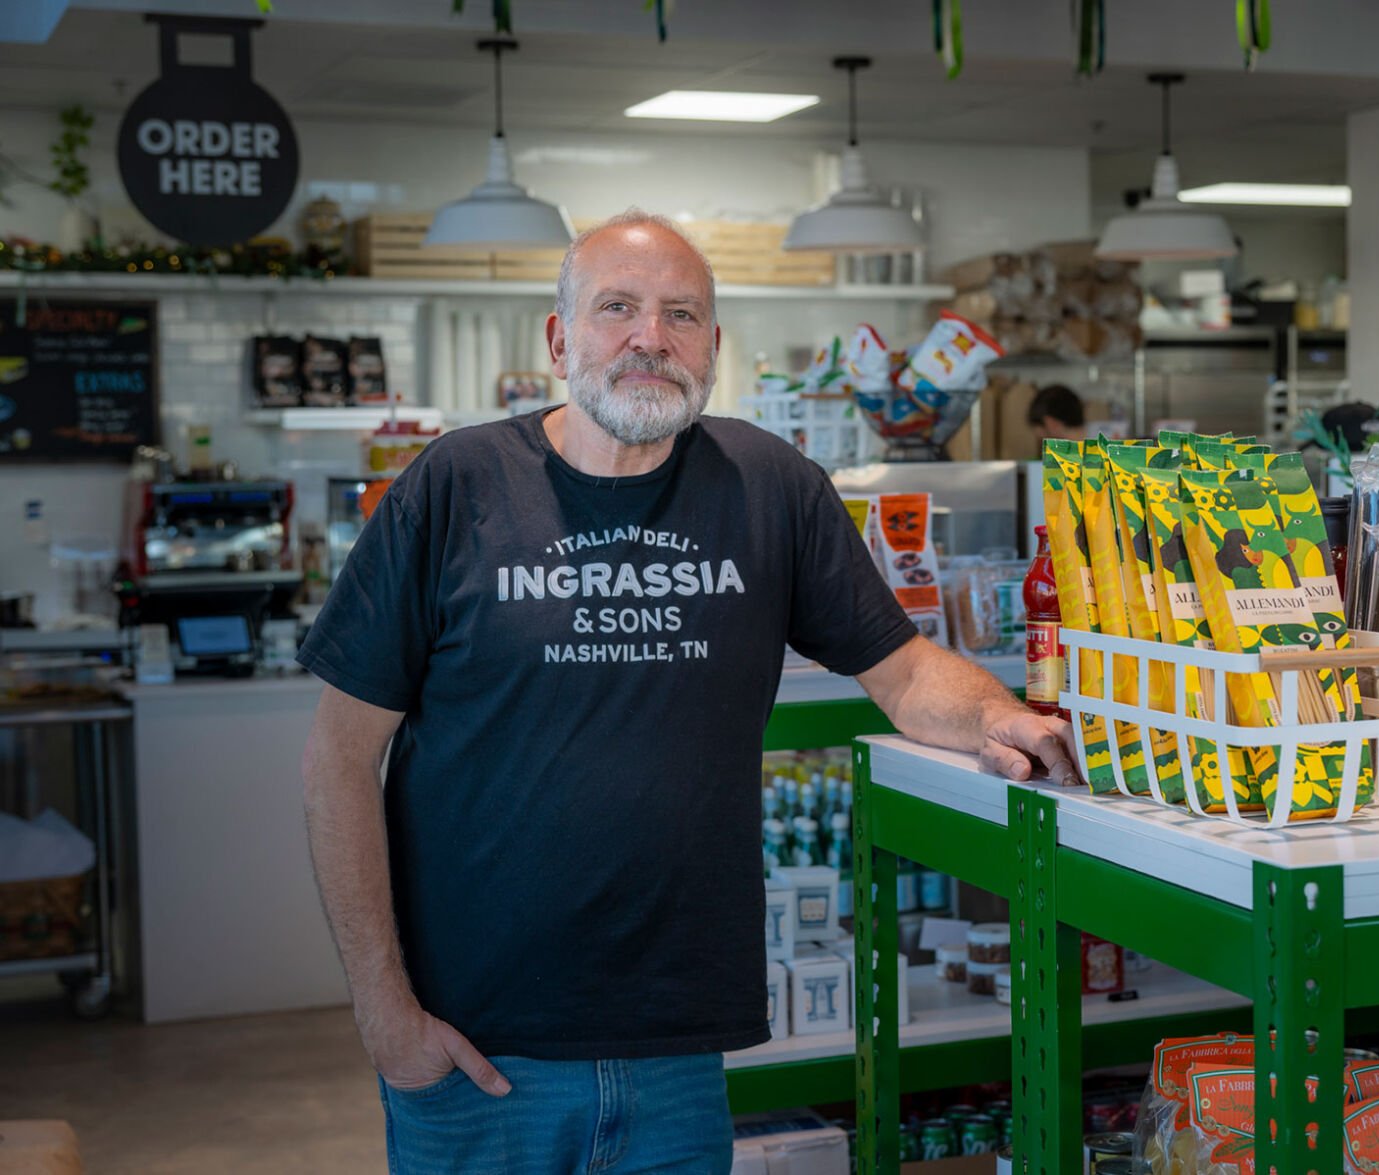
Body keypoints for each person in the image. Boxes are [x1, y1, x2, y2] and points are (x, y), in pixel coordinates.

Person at [298, 208, 1079, 1173]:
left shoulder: (770, 486)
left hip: (677, 1047)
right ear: (558, 339)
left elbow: (904, 667)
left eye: (681, 314)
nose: (648, 337)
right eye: (616, 307)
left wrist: (996, 713)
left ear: (713, 345)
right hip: (478, 1048)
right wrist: (385, 1017)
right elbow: (339, 758)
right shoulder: (456, 486)